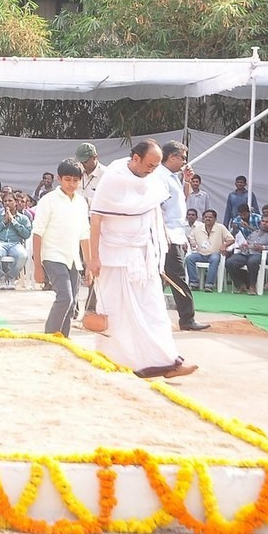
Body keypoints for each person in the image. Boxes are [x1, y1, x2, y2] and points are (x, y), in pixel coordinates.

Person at [87, 139, 196, 378]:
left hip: (143, 257)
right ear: (135, 158)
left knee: (154, 310)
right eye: (149, 165)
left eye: (156, 166)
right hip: (113, 258)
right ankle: (118, 361)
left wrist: (158, 248)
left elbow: (156, 213)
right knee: (118, 315)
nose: (153, 170)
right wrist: (93, 257)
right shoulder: (114, 177)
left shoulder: (152, 179)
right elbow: (96, 218)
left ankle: (169, 362)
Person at [155, 140, 210, 330]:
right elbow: (157, 208)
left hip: (176, 233)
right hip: (167, 235)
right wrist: (164, 233)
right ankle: (187, 319)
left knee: (162, 278)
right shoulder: (160, 176)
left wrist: (186, 181)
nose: (185, 162)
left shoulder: (172, 177)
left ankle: (161, 317)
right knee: (177, 277)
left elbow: (181, 201)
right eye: (183, 158)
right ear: (172, 157)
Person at [31, 159, 90, 337]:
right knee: (65, 297)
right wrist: (37, 266)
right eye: (67, 179)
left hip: (73, 258)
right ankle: (49, 336)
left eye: (75, 180)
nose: (71, 184)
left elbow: (84, 234)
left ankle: (63, 338)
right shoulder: (48, 200)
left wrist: (88, 264)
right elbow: (37, 233)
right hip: (52, 255)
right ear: (59, 178)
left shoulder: (81, 202)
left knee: (72, 304)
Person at [226, 214, 268, 294]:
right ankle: (240, 284)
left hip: (260, 255)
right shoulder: (255, 233)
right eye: (263, 221)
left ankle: (252, 286)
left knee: (252, 261)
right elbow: (247, 242)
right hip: (246, 253)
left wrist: (263, 247)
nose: (264, 223)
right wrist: (244, 245)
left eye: (267, 222)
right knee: (230, 261)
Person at [0, 192, 31, 288]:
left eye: (10, 201)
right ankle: (1, 277)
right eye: (5, 201)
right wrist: (3, 222)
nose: (7, 203)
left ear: (16, 202)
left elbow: (26, 234)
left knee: (23, 255)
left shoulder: (23, 218)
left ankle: (11, 277)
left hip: (15, 244)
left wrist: (14, 221)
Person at [185, 209, 234, 292]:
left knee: (215, 259)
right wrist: (193, 243)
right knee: (189, 258)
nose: (207, 219)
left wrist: (224, 245)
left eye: (210, 217)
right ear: (203, 219)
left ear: (215, 219)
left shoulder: (220, 227)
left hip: (214, 254)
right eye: (206, 217)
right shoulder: (198, 228)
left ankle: (209, 285)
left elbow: (231, 239)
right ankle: (194, 283)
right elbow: (190, 237)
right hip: (200, 253)